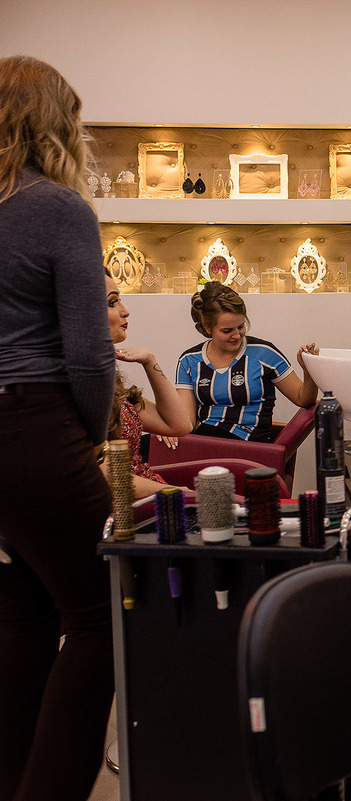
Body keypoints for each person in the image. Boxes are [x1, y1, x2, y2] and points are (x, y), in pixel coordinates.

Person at [0, 55, 117, 801]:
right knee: (106, 614)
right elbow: (89, 354)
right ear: (55, 126)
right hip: (34, 424)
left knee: (25, 615)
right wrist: (91, 441)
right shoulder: (58, 207)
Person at [175, 283, 319, 442]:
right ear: (208, 328)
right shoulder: (189, 360)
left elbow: (302, 399)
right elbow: (186, 423)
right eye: (227, 331)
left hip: (249, 444)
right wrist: (167, 431)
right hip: (205, 440)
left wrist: (309, 369)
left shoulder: (264, 353)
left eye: (240, 326)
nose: (237, 335)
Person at [105, 275, 193, 497]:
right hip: (127, 505)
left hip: (149, 493)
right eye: (112, 302)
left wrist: (150, 361)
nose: (125, 311)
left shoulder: (111, 384)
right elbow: (104, 474)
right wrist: (176, 493)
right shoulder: (75, 385)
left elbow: (179, 425)